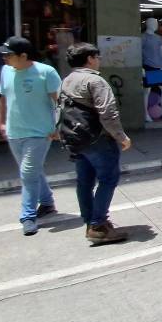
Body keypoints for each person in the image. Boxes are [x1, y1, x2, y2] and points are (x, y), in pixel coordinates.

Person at [60, 43, 133, 245]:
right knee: (108, 179)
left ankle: (90, 221)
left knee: (84, 182)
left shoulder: (66, 80)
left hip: (76, 138)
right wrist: (121, 136)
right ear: (90, 58)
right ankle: (98, 225)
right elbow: (108, 113)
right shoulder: (95, 81)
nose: (99, 60)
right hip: (97, 138)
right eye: (97, 56)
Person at [0, 37, 61, 236]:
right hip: (14, 132)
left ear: (23, 56)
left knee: (27, 174)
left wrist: (58, 126)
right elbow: (3, 98)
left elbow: (60, 102)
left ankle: (28, 216)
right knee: (33, 172)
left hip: (40, 133)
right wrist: (1, 122)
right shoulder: (6, 71)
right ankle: (48, 202)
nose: (4, 58)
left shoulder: (46, 72)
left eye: (8, 55)